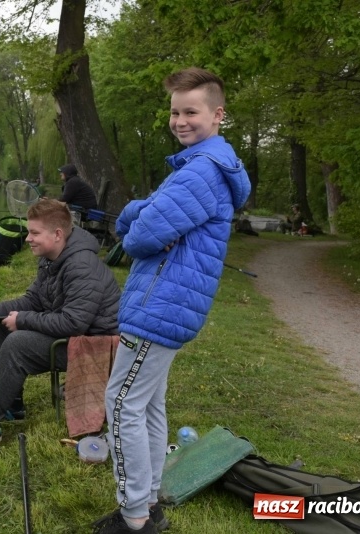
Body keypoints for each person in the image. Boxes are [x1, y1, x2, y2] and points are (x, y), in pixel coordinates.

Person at [92, 67, 251, 534]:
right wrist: (143, 215)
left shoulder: (200, 171)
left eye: (191, 112)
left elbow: (138, 237)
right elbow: (147, 222)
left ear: (218, 114)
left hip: (160, 306)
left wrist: (135, 217)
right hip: (171, 305)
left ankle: (135, 516)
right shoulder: (205, 166)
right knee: (149, 405)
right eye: (175, 112)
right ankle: (150, 501)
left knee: (121, 404)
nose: (181, 121)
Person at [0, 198, 121, 449]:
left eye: (34, 233)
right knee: (2, 328)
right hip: (77, 336)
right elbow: (33, 300)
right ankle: (14, 407)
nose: (28, 238)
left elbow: (74, 323)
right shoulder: (52, 258)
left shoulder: (81, 266)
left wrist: (23, 320)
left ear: (58, 234)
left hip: (97, 346)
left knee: (18, 343)